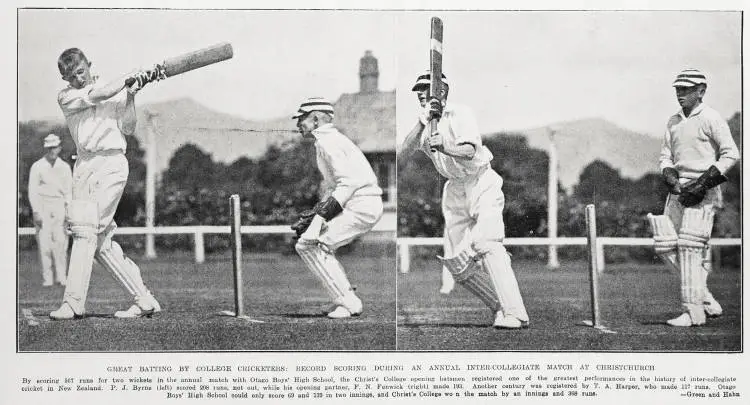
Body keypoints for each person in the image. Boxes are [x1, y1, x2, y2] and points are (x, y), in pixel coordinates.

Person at [398, 71, 529, 329]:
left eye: (427, 88)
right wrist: (422, 123)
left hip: (481, 182)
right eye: (418, 92)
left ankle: (516, 314)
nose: (422, 94)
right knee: (458, 262)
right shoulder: (425, 123)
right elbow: (403, 154)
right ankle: (500, 308)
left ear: (443, 92)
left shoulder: (460, 113)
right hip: (454, 189)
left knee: (485, 243)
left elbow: (470, 152)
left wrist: (445, 147)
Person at [49, 48, 161, 320]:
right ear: (65, 79)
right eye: (71, 76)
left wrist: (132, 94)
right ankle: (144, 299)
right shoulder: (67, 96)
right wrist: (129, 78)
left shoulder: (116, 89)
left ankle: (74, 303)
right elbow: (98, 95)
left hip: (112, 164)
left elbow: (129, 128)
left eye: (80, 71)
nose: (78, 78)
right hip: (84, 165)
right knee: (98, 241)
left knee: (88, 230)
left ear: (89, 65)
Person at [648, 68, 739, 327]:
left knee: (690, 249)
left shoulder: (711, 117)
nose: (681, 94)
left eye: (686, 89)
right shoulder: (673, 120)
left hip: (704, 189)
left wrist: (701, 185)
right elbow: (666, 155)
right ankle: (705, 298)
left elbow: (731, 154)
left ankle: (693, 312)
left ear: (701, 91)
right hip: (678, 191)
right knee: (665, 245)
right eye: (678, 89)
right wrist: (671, 178)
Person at [290, 97, 384, 319]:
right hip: (359, 203)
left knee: (310, 245)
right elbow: (332, 187)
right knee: (313, 245)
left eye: (301, 119)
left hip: (362, 205)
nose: (298, 124)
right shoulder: (326, 141)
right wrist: (316, 214)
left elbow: (348, 183)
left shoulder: (329, 142)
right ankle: (344, 298)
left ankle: (348, 302)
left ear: (315, 119)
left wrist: (319, 219)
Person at [28, 133, 73, 287]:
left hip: (59, 206)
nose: (52, 150)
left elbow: (68, 191)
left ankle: (62, 277)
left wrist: (68, 211)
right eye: (50, 147)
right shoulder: (37, 166)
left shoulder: (65, 167)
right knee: (44, 244)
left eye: (55, 147)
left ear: (59, 148)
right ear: (46, 148)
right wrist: (36, 211)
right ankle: (47, 278)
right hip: (43, 206)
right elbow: (32, 190)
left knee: (61, 243)